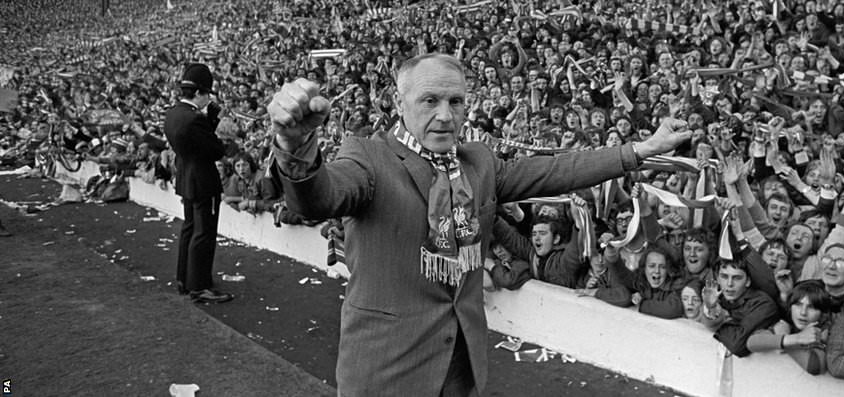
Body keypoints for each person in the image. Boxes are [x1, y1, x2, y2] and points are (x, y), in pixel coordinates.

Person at [267, 53, 691, 397]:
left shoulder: (478, 162)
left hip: (460, 368)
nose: (445, 116)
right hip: (386, 373)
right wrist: (295, 146)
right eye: (429, 101)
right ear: (399, 105)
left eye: (456, 102)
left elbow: (557, 170)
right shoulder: (368, 158)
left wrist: (642, 148)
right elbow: (318, 198)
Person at [163, 63, 232, 304]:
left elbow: (195, 142)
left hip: (186, 178)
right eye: (207, 95)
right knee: (204, 234)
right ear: (200, 93)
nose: (208, 100)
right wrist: (212, 125)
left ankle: (184, 279)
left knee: (190, 229)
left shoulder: (173, 113)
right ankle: (200, 286)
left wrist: (208, 121)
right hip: (203, 181)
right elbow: (214, 149)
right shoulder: (194, 119)